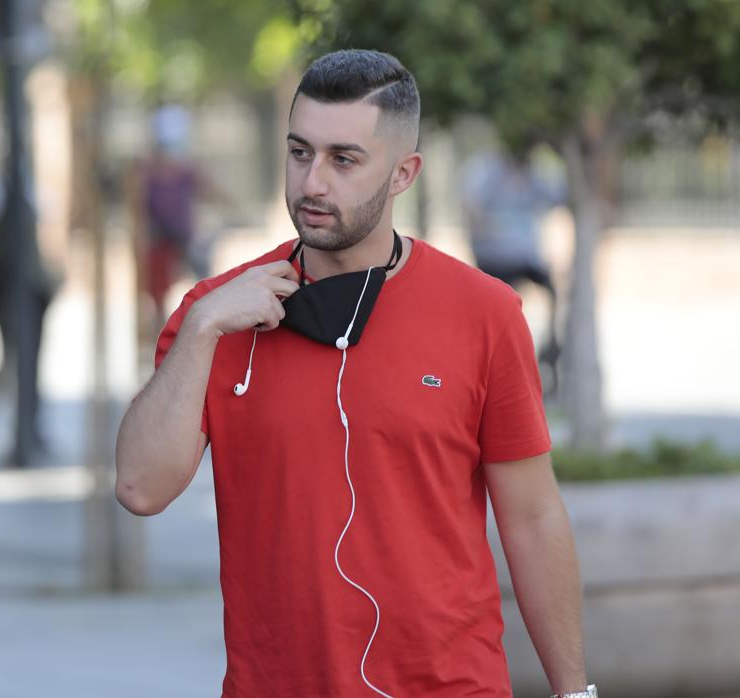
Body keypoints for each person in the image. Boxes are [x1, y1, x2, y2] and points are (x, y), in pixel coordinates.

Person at [115, 50, 594, 697]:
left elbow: (532, 518)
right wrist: (200, 330)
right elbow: (140, 488)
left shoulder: (486, 314)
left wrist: (575, 692)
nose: (313, 182)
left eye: (344, 159)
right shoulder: (219, 313)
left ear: (403, 174)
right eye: (299, 152)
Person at [461, 146, 565, 395]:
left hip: (526, 257)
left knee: (552, 293)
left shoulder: (534, 174)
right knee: (500, 307)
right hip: (494, 257)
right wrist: (489, 225)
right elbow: (470, 206)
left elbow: (559, 196)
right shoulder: (486, 172)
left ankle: (549, 349)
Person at [130, 105, 231, 331]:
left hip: (184, 234)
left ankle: (207, 322)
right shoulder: (148, 171)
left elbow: (211, 188)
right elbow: (137, 204)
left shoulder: (187, 169)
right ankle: (159, 327)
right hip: (158, 236)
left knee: (204, 279)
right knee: (157, 287)